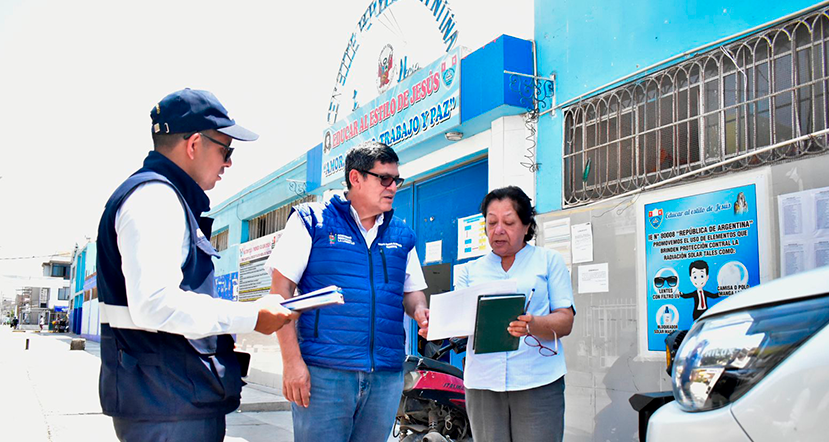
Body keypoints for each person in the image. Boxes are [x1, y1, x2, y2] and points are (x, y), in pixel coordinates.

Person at [95, 88, 298, 442]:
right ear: (193, 145)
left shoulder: (164, 198)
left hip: (170, 400)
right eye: (225, 149)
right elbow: (155, 304)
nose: (228, 163)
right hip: (165, 408)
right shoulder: (155, 199)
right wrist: (253, 316)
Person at [264, 141, 430, 442]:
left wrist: (420, 311)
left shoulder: (402, 234)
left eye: (397, 180)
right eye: (384, 178)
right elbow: (281, 293)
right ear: (356, 178)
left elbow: (413, 292)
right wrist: (291, 362)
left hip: (385, 374)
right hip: (324, 374)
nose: (392, 187)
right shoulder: (310, 221)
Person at [455, 186, 575, 442]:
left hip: (537, 379)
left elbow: (565, 320)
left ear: (526, 225)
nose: (498, 230)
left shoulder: (548, 261)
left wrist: (534, 324)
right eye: (491, 223)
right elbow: (458, 321)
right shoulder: (469, 270)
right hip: (484, 382)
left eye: (508, 222)